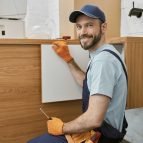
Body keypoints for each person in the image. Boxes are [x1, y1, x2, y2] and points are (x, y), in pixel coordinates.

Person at [28, 4, 128, 143]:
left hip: (103, 137)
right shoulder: (101, 54)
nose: (83, 32)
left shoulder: (103, 61)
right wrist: (68, 59)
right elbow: (86, 83)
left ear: (103, 27)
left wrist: (62, 128)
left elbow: (94, 119)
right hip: (97, 132)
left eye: (89, 25)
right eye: (79, 27)